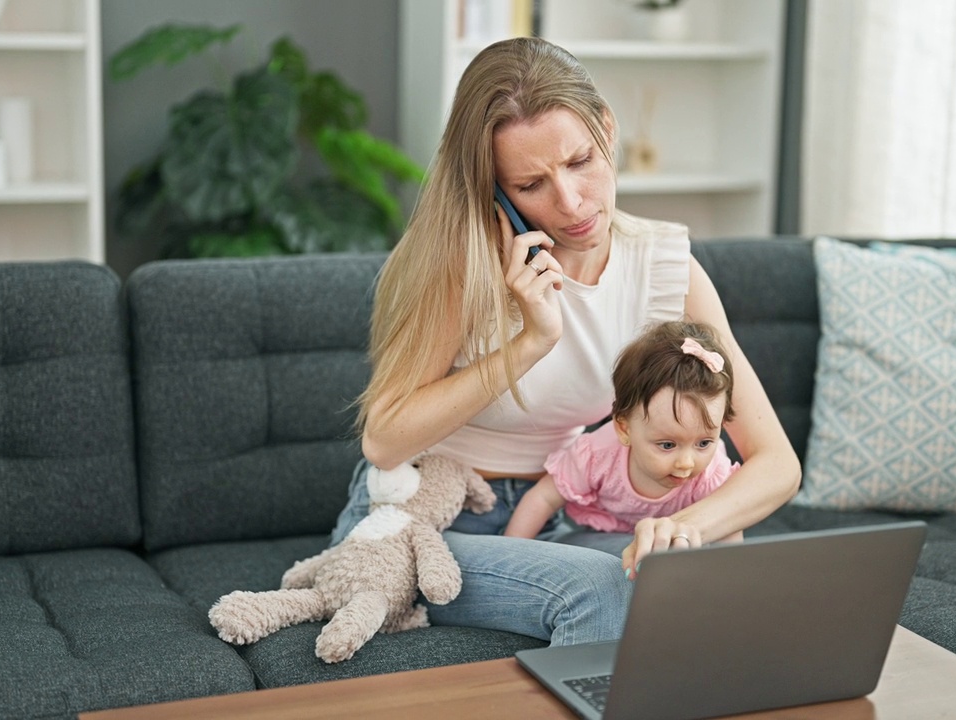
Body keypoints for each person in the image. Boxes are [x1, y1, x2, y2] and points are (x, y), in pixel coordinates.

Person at [330, 36, 800, 647]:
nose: (572, 202)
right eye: (530, 185)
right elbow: (384, 439)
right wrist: (530, 341)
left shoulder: (665, 272)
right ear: (494, 192)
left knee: (692, 581)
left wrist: (685, 527)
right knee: (600, 590)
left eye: (581, 162)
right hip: (423, 521)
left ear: (607, 129)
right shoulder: (462, 268)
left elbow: (776, 464)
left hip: (562, 512)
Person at [504, 321, 745, 558]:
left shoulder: (712, 474)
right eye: (667, 445)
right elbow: (543, 497)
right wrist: (510, 557)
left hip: (676, 545)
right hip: (602, 541)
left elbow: (728, 529)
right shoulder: (597, 455)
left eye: (704, 443)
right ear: (624, 428)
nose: (686, 462)